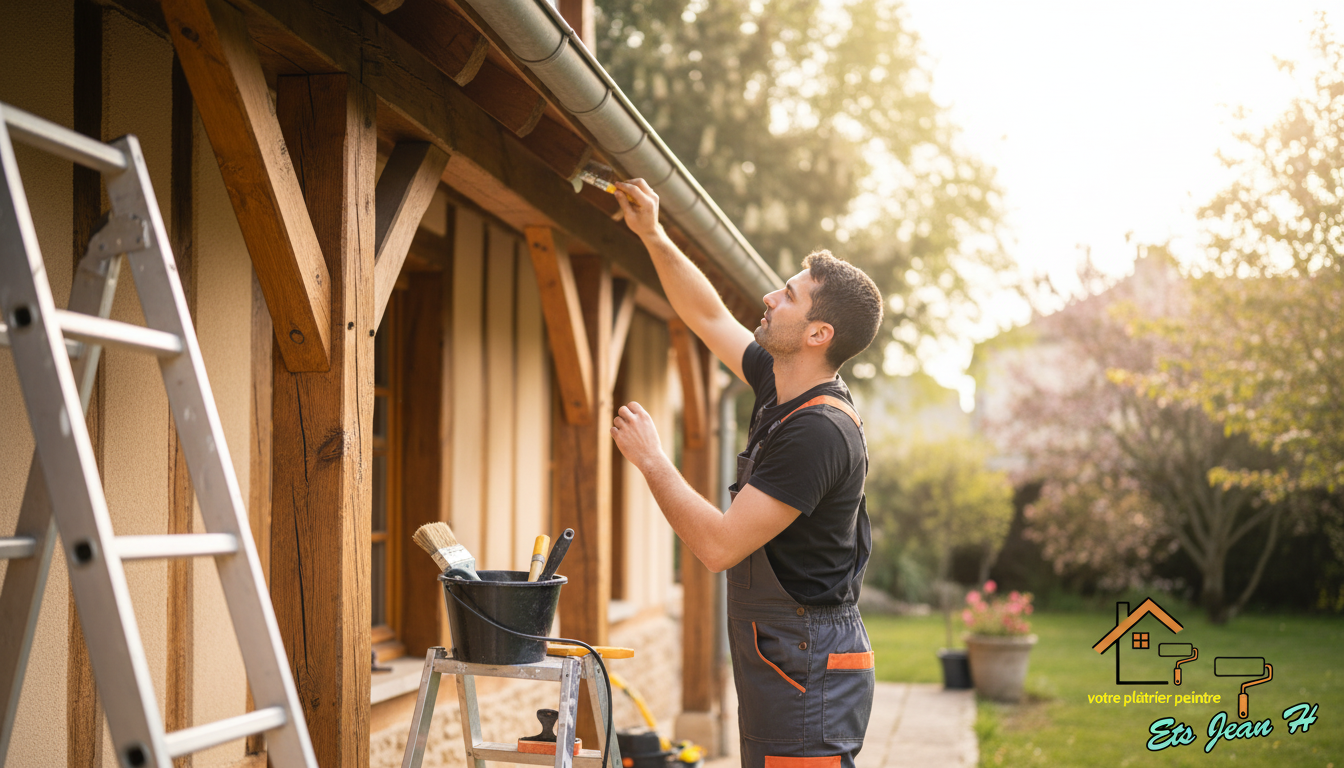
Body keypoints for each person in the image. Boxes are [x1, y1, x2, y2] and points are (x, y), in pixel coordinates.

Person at [608, 178, 883, 768]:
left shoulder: (817, 432)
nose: (768, 297)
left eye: (788, 295)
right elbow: (706, 315)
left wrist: (654, 459)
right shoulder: (780, 384)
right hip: (787, 657)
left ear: (818, 335)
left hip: (810, 667)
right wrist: (652, 234)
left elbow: (717, 546)